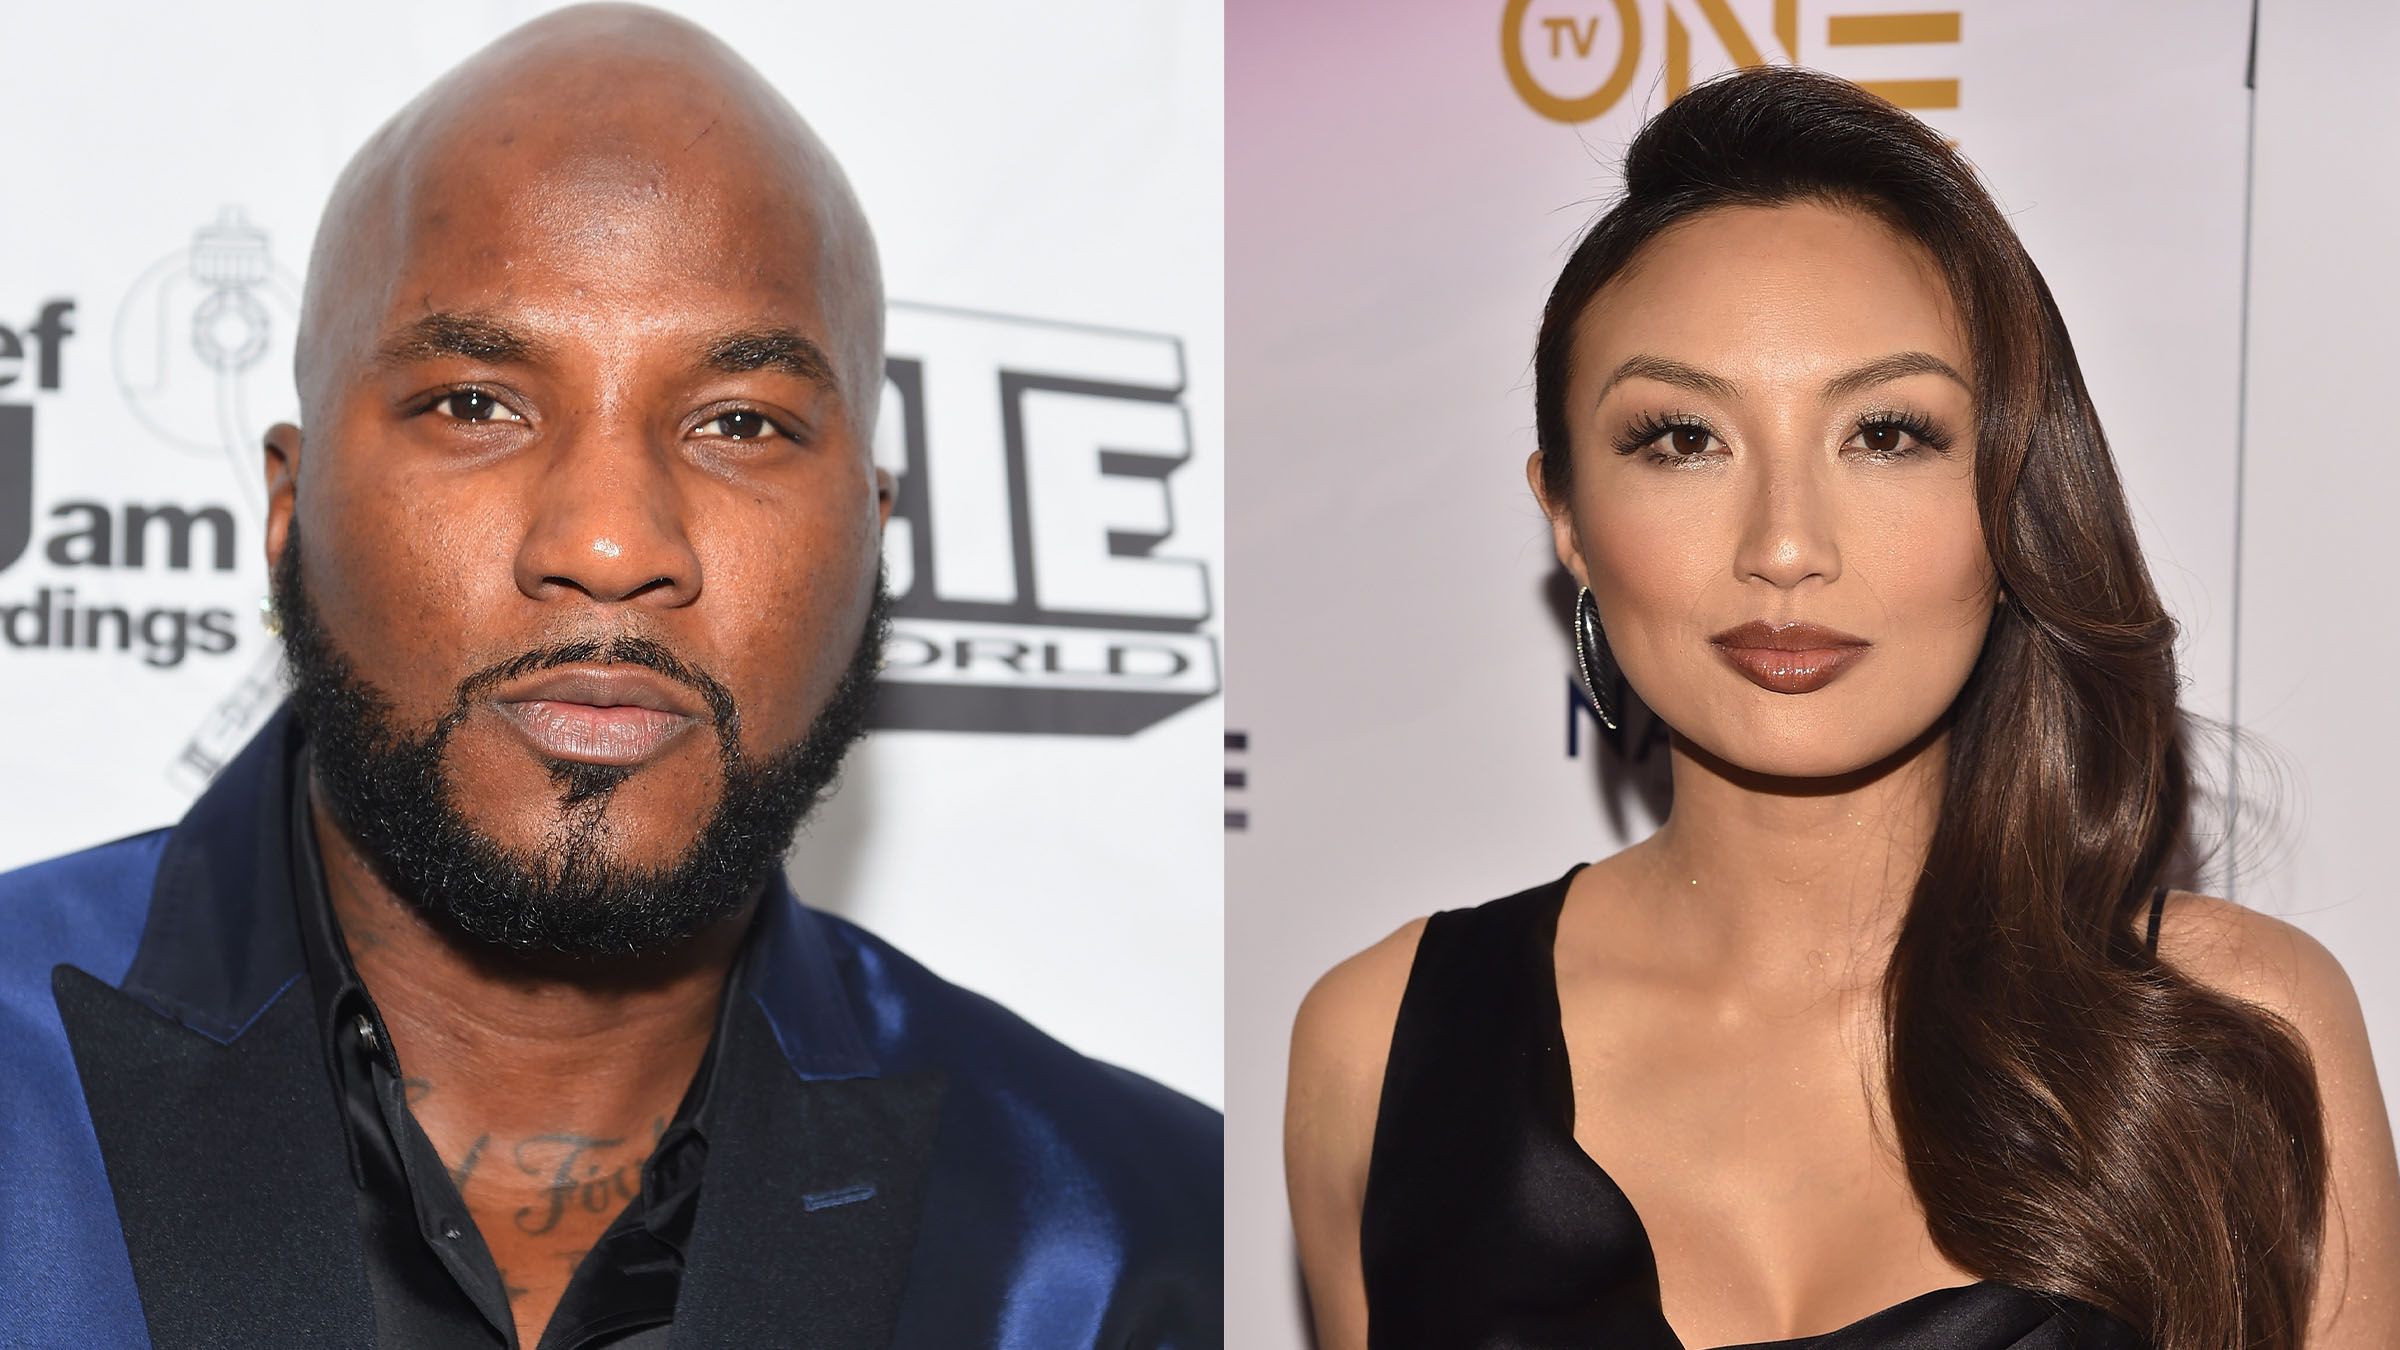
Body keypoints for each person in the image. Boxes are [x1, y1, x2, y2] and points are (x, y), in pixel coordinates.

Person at [0, 6, 1220, 1347]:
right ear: (291, 503)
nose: (610, 543)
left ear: (872, 532)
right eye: (477, 403)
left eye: (740, 422)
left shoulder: (1137, 1245)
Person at [1285, 66, 2400, 1350]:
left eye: (1885, 433)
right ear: (1568, 517)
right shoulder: (1379, 1050)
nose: (1784, 546)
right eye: (1681, 437)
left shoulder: (2232, 1032)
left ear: (2014, 493)